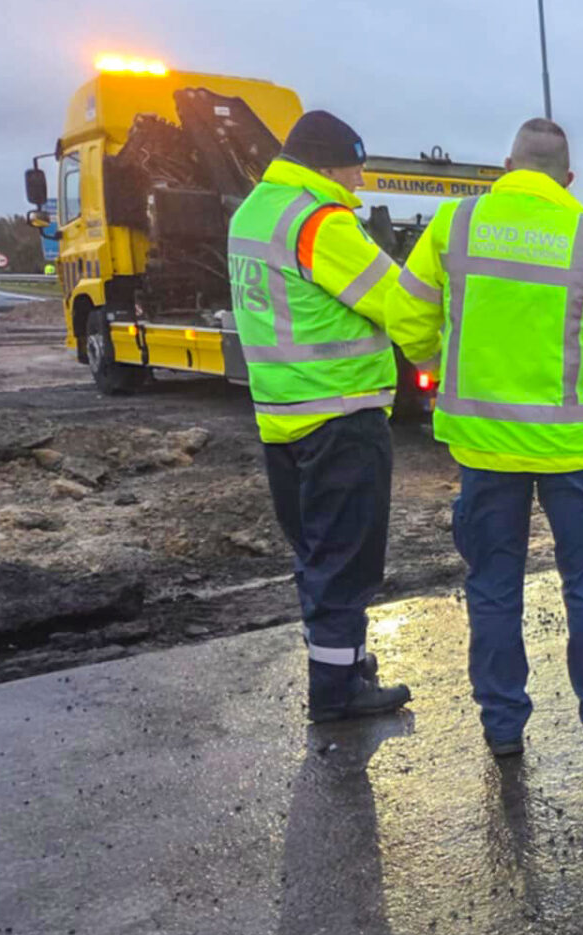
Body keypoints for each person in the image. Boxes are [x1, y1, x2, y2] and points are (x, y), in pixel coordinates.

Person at [388, 118, 583, 759]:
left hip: (483, 449)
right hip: (570, 451)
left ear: (505, 165)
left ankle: (503, 728)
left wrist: (437, 355)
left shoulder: (455, 225)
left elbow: (407, 316)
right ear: (568, 179)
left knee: (492, 585)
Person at [227, 109, 411, 723]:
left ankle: (343, 661)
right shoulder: (319, 222)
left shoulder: (253, 212)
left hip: (282, 416)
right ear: (329, 163)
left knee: (314, 552)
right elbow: (395, 302)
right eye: (355, 165)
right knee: (347, 558)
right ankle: (337, 694)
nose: (359, 180)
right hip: (341, 414)